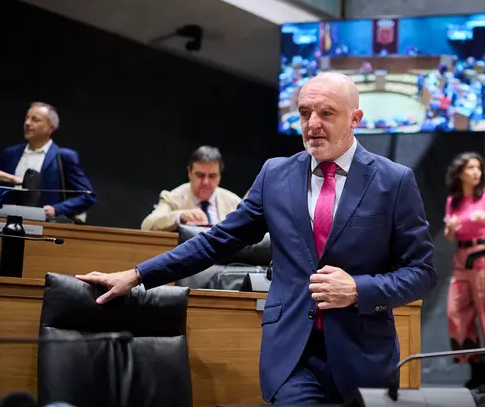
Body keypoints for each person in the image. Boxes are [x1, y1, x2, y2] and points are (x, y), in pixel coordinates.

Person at [76, 72, 438, 404]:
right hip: (293, 356)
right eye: (305, 113)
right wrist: (137, 275)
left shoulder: (394, 181)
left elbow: (421, 272)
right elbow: (215, 241)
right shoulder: (275, 175)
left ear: (355, 120)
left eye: (326, 114)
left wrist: (359, 290)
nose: (313, 124)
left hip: (365, 358)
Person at [443, 152, 485, 392]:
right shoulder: (454, 200)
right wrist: (450, 228)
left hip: (483, 255)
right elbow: (450, 236)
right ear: (460, 172)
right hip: (461, 259)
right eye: (470, 168)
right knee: (456, 313)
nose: (475, 173)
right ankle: (475, 367)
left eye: (478, 168)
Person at [0, 102, 96, 221]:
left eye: (35, 120)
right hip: (5, 221)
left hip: (45, 226)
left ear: (51, 127)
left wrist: (57, 209)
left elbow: (87, 195)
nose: (27, 123)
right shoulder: (11, 153)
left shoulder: (64, 156)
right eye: (26, 118)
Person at [141, 146, 242, 232]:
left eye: (212, 176)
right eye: (200, 175)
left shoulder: (234, 203)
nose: (206, 182)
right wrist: (180, 216)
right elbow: (147, 226)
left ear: (220, 176)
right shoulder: (173, 198)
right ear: (189, 173)